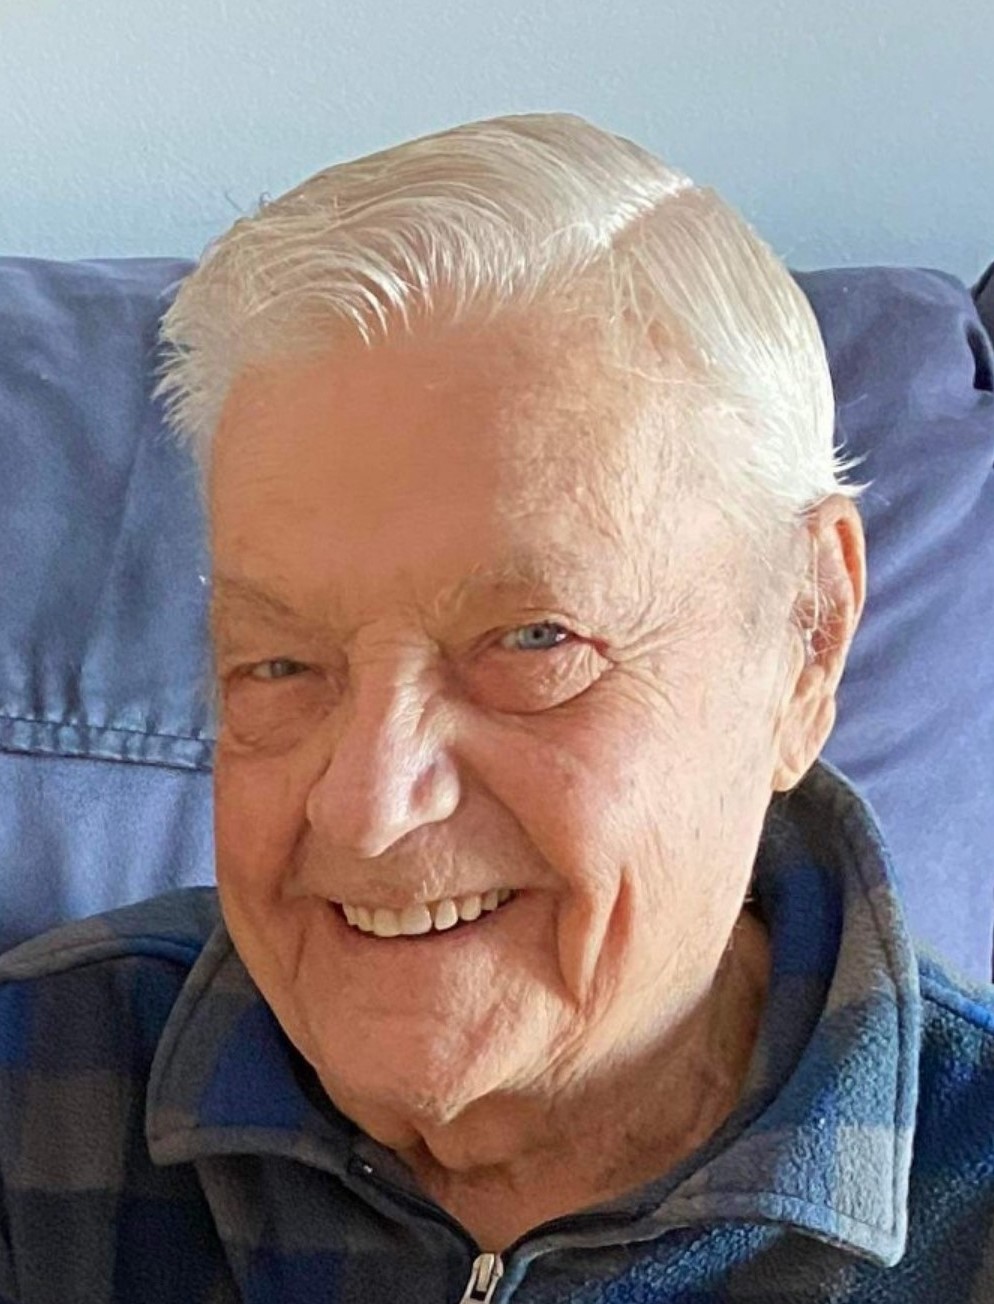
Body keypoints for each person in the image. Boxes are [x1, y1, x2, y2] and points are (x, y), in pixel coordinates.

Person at [1, 113, 993, 1304]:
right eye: (281, 663)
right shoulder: (39, 1092)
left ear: (806, 639)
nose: (368, 807)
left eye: (533, 641)